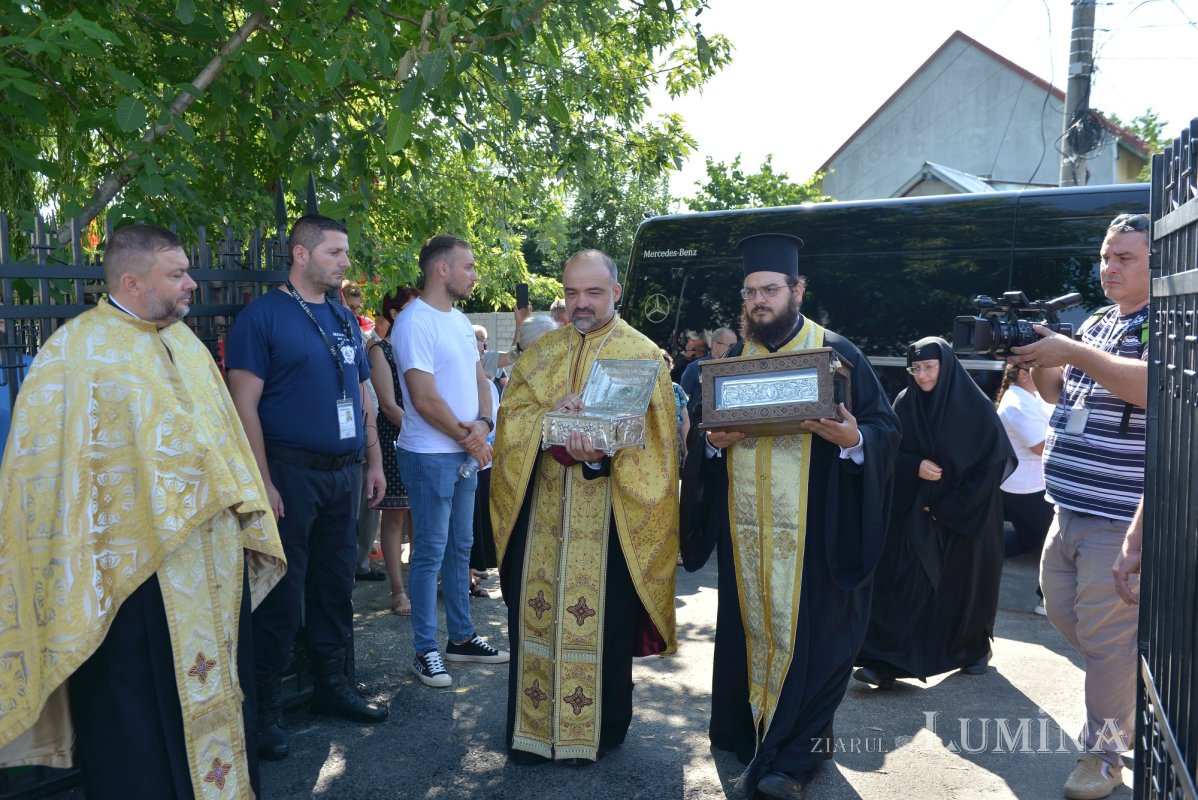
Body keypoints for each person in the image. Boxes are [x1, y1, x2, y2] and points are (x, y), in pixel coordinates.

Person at [0, 224, 286, 799]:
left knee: (225, 703)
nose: (191, 283)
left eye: (188, 270)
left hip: (212, 570)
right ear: (131, 281)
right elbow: (46, 479)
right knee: (140, 729)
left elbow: (222, 447)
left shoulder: (188, 346)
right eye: (176, 274)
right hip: (131, 583)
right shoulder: (75, 355)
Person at [679, 233, 899, 800]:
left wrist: (854, 440)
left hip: (814, 539)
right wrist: (711, 446)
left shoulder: (839, 356)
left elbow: (884, 432)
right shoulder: (729, 365)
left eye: (771, 290)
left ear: (797, 290)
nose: (760, 301)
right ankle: (750, 732)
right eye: (751, 292)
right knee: (749, 632)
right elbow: (704, 441)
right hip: (746, 539)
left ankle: (792, 759)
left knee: (816, 642)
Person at [490, 249, 679, 765]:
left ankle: (598, 729)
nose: (581, 303)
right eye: (572, 292)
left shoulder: (642, 356)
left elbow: (659, 453)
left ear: (616, 293)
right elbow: (510, 426)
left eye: (593, 292)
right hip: (544, 514)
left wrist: (601, 454)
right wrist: (550, 419)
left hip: (611, 523)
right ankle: (533, 730)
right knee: (537, 616)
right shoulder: (540, 353)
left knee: (602, 624)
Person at [227, 214, 389, 762]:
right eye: (336, 253)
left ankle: (332, 685)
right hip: (290, 474)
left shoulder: (344, 318)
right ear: (301, 254)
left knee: (333, 584)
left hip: (344, 473)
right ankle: (265, 708)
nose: (345, 262)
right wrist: (262, 481)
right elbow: (243, 404)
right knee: (279, 594)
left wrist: (373, 461)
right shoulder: (263, 317)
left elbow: (363, 397)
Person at [1008, 212, 1150, 800]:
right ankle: (1132, 702)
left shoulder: (1167, 321)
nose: (1109, 267)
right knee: (1077, 626)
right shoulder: (1096, 320)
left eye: (1125, 258)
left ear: (1156, 264)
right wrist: (1039, 357)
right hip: (1065, 507)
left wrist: (1071, 349)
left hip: (1118, 518)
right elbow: (1060, 392)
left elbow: (1148, 387)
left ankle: (1103, 755)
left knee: (1107, 643)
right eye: (1105, 255)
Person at [854, 338, 1015, 690]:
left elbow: (990, 469)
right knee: (901, 587)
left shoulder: (977, 409)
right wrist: (915, 467)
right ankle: (884, 662)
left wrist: (946, 507)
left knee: (961, 592)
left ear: (946, 366)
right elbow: (889, 452)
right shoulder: (905, 403)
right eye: (916, 369)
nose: (922, 376)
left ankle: (971, 651)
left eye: (929, 367)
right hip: (914, 516)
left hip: (964, 521)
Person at [391, 234, 508, 690]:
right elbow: (422, 399)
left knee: (462, 549)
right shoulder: (414, 322)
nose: (474, 274)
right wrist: (473, 439)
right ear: (442, 269)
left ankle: (460, 638)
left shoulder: (459, 321)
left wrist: (482, 423)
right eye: (468, 266)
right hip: (430, 456)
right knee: (430, 553)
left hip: (462, 451)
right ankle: (425, 650)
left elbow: (480, 379)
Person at [369, 286, 423, 615]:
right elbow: (388, 406)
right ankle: (398, 589)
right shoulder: (380, 351)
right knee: (394, 517)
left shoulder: (417, 346)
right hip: (396, 438)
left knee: (421, 517)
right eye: (411, 309)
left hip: (421, 438)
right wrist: (423, 432)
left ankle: (419, 584)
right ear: (393, 313)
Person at [995, 363, 1055, 614]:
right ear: (1023, 374)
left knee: (1027, 539)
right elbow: (1040, 447)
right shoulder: (1015, 404)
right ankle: (1046, 599)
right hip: (1025, 490)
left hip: (1032, 486)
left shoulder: (1031, 396)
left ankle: (967, 558)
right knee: (1053, 542)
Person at [680, 326, 737, 411]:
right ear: (715, 346)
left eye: (735, 346)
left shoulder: (736, 368)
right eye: (730, 346)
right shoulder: (695, 368)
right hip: (699, 421)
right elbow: (682, 402)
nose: (734, 350)